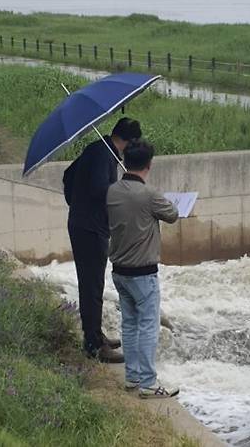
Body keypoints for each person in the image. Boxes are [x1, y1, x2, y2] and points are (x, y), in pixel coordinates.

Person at [63, 117, 141, 363]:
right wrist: (119, 191)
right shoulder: (101, 154)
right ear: (129, 141)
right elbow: (99, 189)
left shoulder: (101, 150)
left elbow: (69, 175)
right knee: (91, 286)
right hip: (89, 229)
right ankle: (93, 345)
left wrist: (76, 203)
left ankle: (95, 334)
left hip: (87, 225)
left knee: (93, 284)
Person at [106, 139, 180, 398]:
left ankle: (132, 377)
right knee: (149, 325)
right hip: (143, 273)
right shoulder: (149, 195)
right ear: (149, 164)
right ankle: (149, 383)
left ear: (125, 161)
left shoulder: (112, 191)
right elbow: (172, 214)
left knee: (129, 323)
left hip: (119, 270)